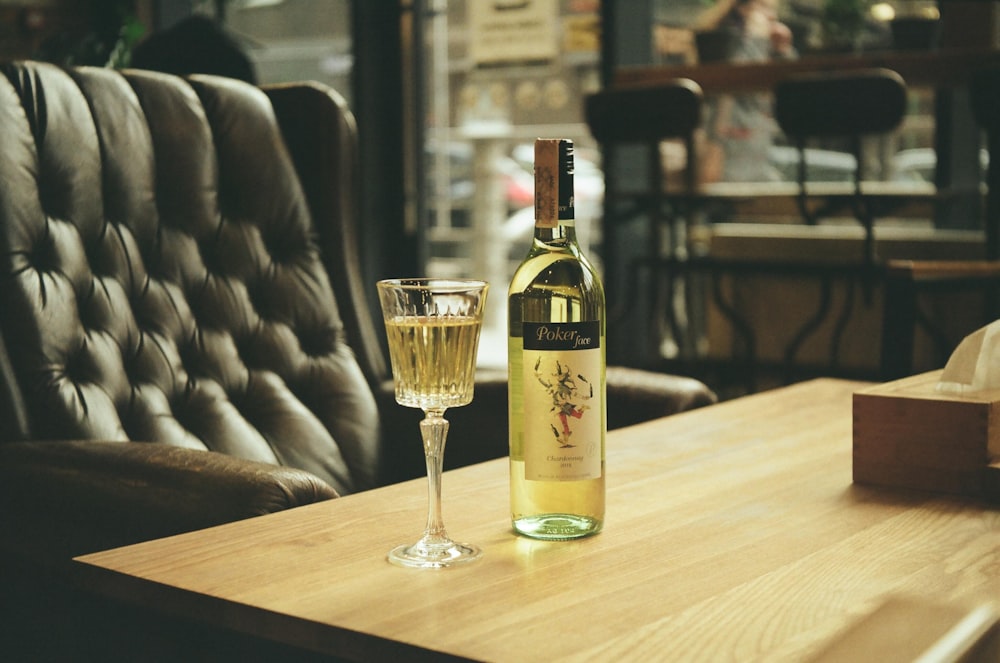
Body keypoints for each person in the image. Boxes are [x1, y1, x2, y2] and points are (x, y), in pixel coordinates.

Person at [697, 0, 796, 182]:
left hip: (757, 152)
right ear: (742, 9)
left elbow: (791, 91)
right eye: (764, 7)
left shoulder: (764, 44)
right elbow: (740, 78)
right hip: (730, 152)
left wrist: (784, 51)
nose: (771, 16)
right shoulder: (723, 39)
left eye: (773, 10)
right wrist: (756, 38)